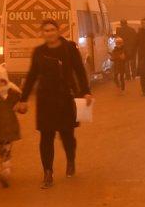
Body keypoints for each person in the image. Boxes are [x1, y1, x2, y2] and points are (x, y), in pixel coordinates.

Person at [18, 18, 93, 189]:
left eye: (52, 30)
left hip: (65, 97)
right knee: (46, 137)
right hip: (45, 100)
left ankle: (71, 160)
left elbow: (80, 71)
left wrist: (85, 91)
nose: (49, 33)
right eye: (46, 30)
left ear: (58, 31)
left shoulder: (69, 49)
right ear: (42, 34)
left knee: (67, 135)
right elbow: (31, 75)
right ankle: (48, 172)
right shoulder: (38, 51)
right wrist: (23, 99)